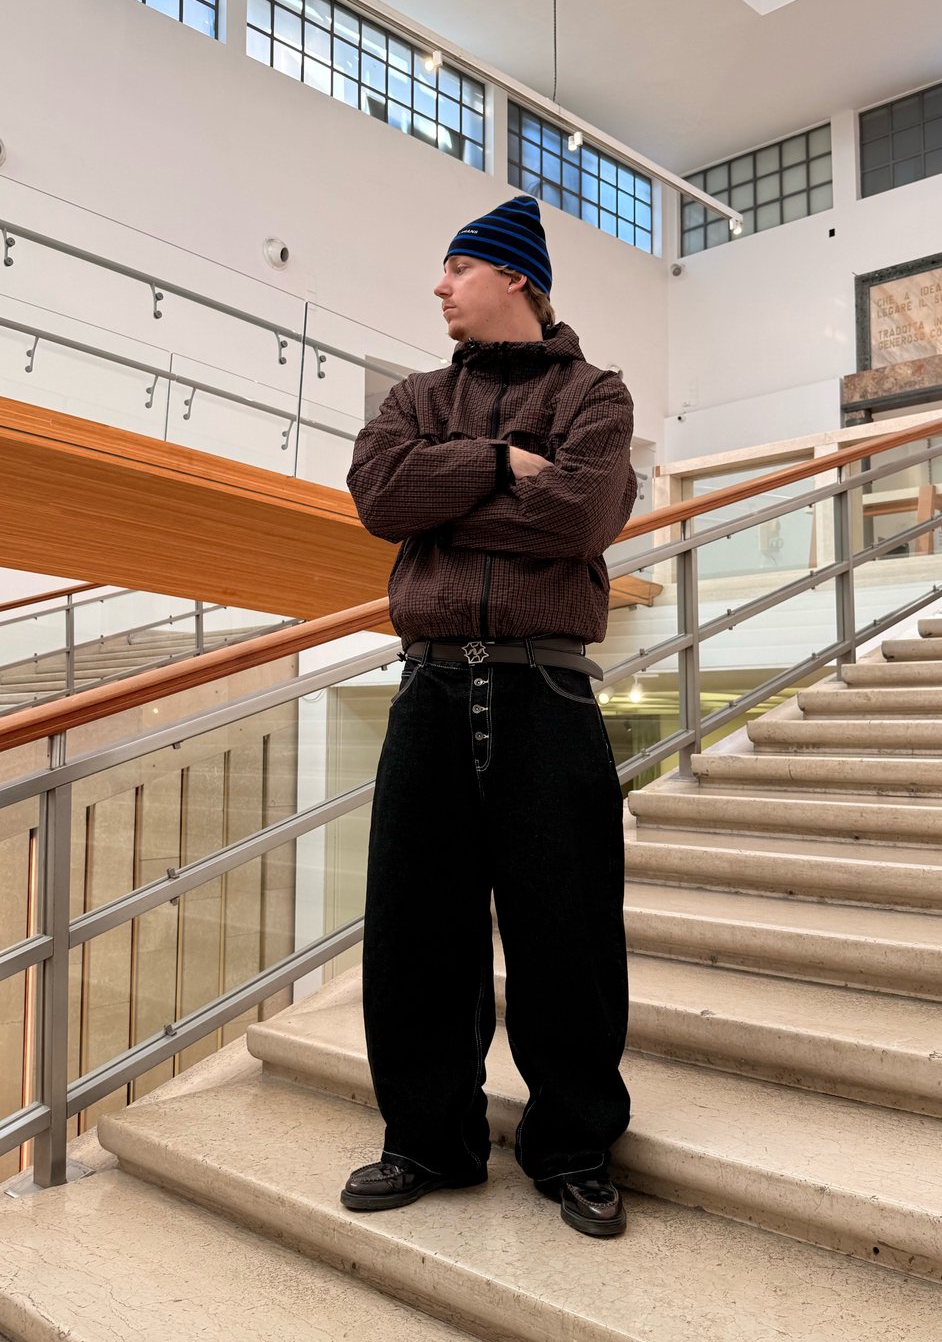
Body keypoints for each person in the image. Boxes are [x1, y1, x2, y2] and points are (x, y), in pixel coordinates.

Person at [341, 194, 635, 1238]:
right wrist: (506, 463)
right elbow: (378, 495)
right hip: (427, 686)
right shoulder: (415, 395)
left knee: (567, 929)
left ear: (512, 275)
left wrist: (451, 497)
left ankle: (572, 1147)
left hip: (546, 688)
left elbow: (582, 513)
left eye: (454, 267)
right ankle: (428, 1140)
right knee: (417, 928)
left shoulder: (594, 393)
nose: (438, 286)